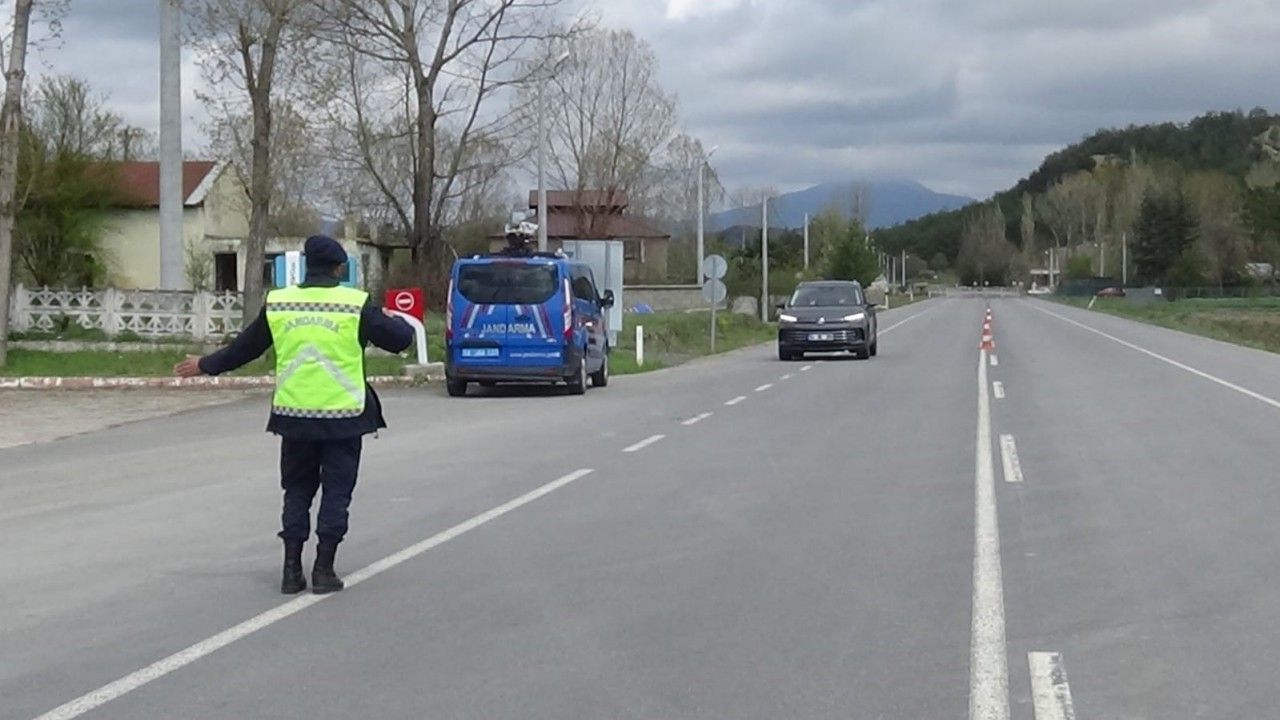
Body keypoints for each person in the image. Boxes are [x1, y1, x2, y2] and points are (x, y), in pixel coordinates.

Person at [175, 235, 414, 595]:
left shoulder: (279, 302)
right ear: (339, 268)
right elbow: (400, 339)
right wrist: (394, 319)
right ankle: (323, 570)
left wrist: (205, 365)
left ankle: (291, 572)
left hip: (294, 417)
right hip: (343, 417)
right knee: (336, 493)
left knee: (297, 491)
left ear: (306, 265)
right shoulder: (355, 304)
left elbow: (245, 348)